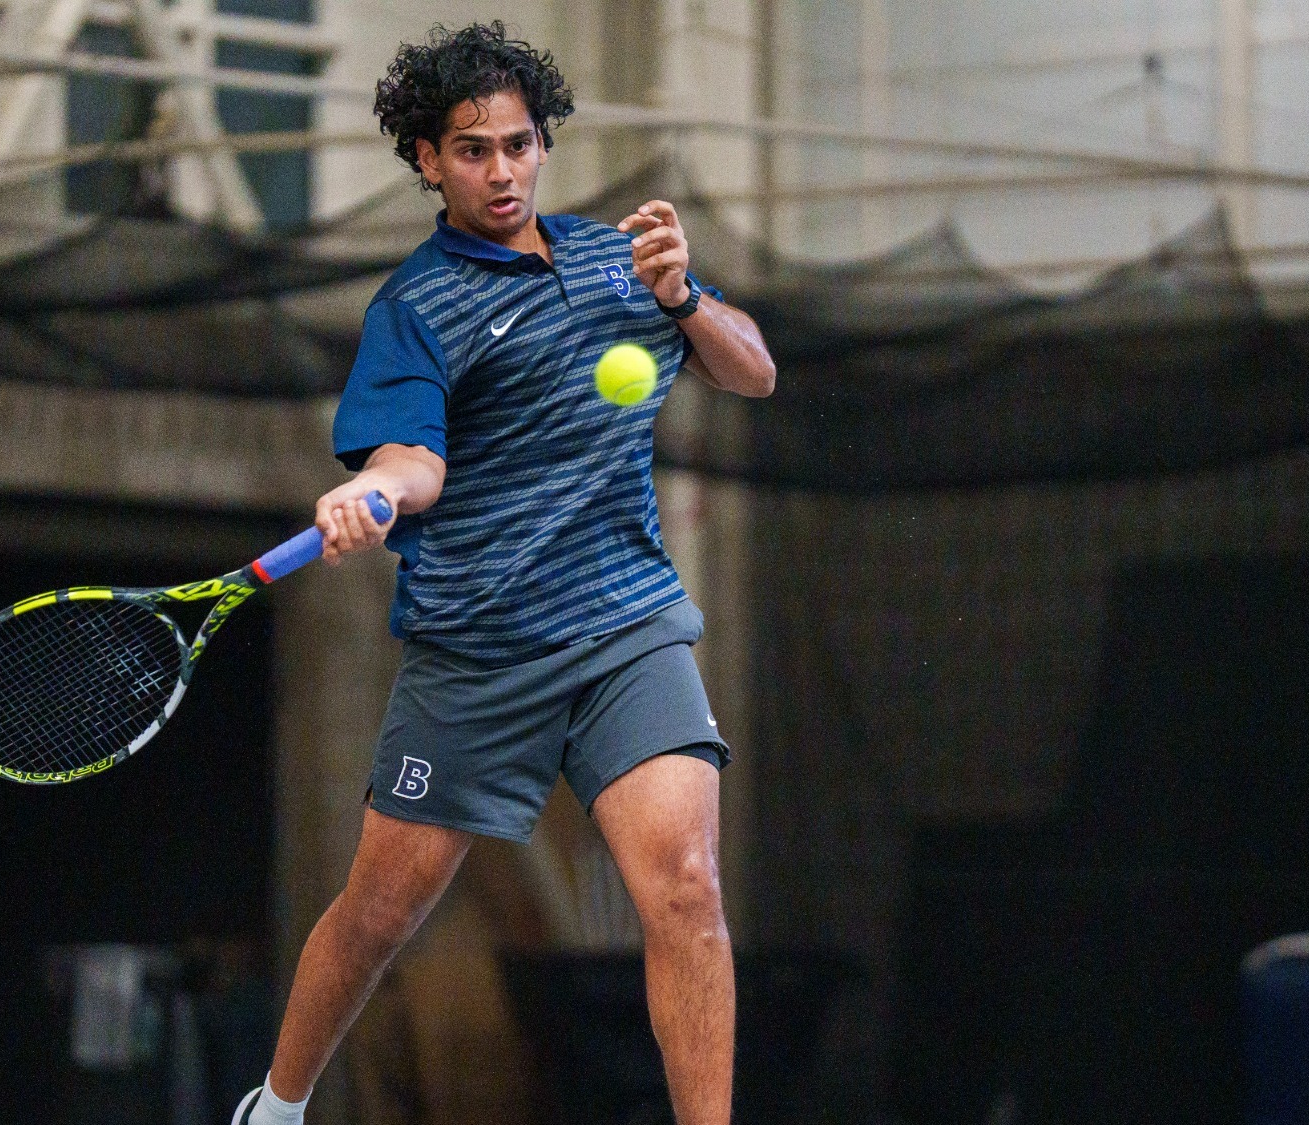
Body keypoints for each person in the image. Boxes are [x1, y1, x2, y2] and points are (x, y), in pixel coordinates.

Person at [231, 21, 775, 1125]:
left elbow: (752, 371)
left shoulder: (617, 262)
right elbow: (413, 460)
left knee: (685, 888)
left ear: (544, 145)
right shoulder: (415, 308)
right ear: (428, 161)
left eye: (518, 145)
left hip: (626, 629)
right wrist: (373, 492)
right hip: (478, 653)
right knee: (379, 914)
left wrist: (682, 296)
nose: (501, 171)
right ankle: (276, 1108)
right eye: (472, 150)